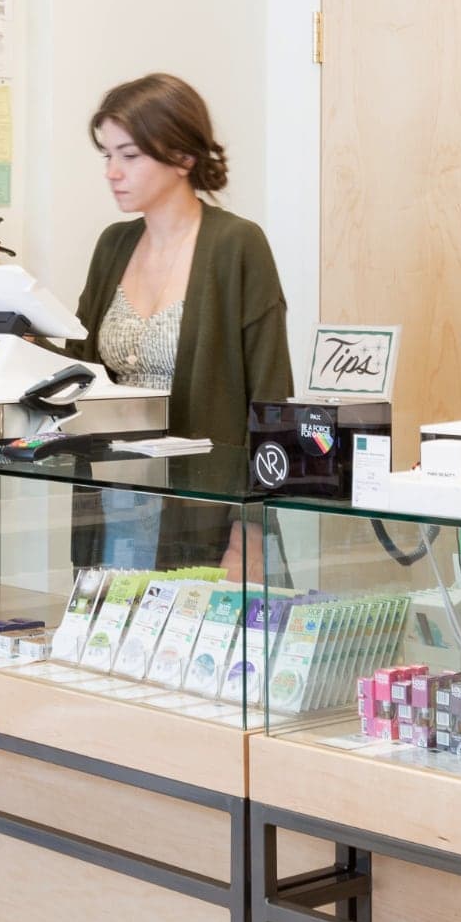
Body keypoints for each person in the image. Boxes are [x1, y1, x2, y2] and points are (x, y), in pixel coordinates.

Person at [68, 74, 292, 574]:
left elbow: (271, 399)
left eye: (129, 155)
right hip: (113, 499)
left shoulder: (237, 244)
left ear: (183, 158)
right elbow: (77, 371)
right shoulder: (113, 245)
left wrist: (250, 528)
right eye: (106, 155)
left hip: (203, 507)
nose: (112, 172)